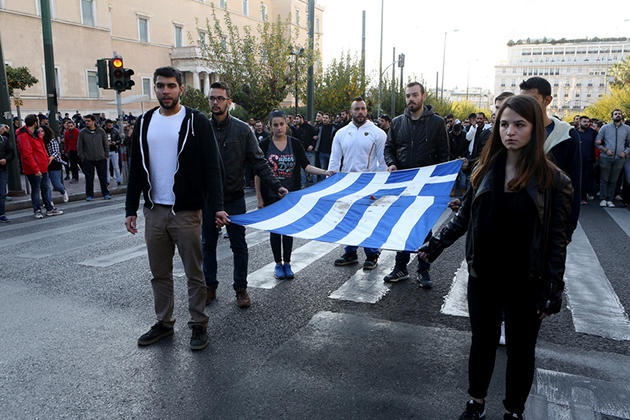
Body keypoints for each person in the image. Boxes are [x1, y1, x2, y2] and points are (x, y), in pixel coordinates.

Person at [419, 95, 573, 420]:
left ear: (534, 129)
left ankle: (513, 411)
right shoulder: (485, 170)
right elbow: (464, 219)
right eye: (504, 124)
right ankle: (476, 402)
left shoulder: (554, 181)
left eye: (519, 125)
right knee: (483, 343)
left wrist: (552, 290)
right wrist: (434, 246)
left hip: (526, 281)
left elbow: (557, 242)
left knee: (520, 351)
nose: (510, 132)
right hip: (484, 277)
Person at [125, 66, 227, 351]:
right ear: (155, 89)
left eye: (171, 86)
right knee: (159, 273)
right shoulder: (144, 122)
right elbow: (135, 169)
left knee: (195, 273)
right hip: (154, 210)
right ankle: (164, 322)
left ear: (181, 89)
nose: (165, 91)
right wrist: (130, 209)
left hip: (185, 212)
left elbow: (212, 168)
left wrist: (217, 207)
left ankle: (198, 324)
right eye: (160, 86)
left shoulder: (196, 121)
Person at [202, 81, 288, 308]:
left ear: (228, 102)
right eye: (212, 98)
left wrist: (276, 185)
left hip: (234, 198)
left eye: (220, 98)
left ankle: (240, 288)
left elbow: (259, 162)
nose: (215, 102)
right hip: (209, 199)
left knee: (239, 246)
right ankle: (209, 287)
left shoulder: (241, 130)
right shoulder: (201, 126)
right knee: (207, 245)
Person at [382, 82, 450, 287]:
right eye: (407, 96)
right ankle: (400, 268)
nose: (411, 99)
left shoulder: (437, 123)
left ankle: (423, 270)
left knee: (424, 228)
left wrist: (439, 183)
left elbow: (444, 154)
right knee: (401, 225)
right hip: (402, 184)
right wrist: (392, 164)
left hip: (427, 185)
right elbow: (389, 148)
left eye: (414, 95)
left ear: (423, 97)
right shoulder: (396, 123)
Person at [256, 110, 334, 279]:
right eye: (275, 125)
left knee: (288, 229)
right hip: (271, 195)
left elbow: (306, 166)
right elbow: (258, 173)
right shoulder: (264, 145)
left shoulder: (295, 143)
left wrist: (325, 172)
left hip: (291, 195)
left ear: (286, 124)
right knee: (275, 230)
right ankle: (278, 264)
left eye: (282, 124)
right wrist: (260, 198)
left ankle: (288, 263)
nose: (279, 128)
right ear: (270, 126)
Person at [329, 97, 387, 270]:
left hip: (370, 183)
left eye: (362, 109)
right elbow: (335, 160)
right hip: (348, 183)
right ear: (351, 111)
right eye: (356, 109)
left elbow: (383, 162)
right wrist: (331, 184)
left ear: (366, 111)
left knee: (368, 219)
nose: (360, 112)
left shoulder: (378, 133)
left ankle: (372, 254)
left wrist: (381, 185)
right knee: (349, 219)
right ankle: (350, 252)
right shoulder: (341, 133)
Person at [520, 77, 581, 241]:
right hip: (517, 214)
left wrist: (568, 230)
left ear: (547, 100)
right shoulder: (514, 132)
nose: (526, 105)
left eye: (532, 100)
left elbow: (574, 182)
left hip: (551, 216)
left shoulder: (566, 135)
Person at [16, 114, 64, 219]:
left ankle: (49, 208)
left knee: (45, 188)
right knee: (36, 189)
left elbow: (42, 149)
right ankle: (37, 210)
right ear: (35, 123)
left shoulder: (36, 134)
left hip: (42, 166)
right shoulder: (24, 136)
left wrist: (46, 159)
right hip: (34, 168)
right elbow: (26, 154)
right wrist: (35, 169)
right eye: (37, 121)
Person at [595, 109, 630, 207]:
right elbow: (597, 141)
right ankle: (603, 198)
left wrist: (625, 152)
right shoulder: (605, 128)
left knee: (614, 180)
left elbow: (629, 144)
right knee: (604, 179)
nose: (618, 115)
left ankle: (610, 199)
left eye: (619, 114)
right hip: (606, 157)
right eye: (615, 114)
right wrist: (606, 150)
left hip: (619, 158)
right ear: (612, 117)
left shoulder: (627, 129)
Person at [78, 114, 110, 201]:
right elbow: (80, 146)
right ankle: (89, 195)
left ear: (93, 121)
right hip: (88, 159)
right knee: (89, 178)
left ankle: (105, 193)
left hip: (101, 158)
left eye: (89, 121)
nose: (87, 123)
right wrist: (82, 157)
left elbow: (105, 144)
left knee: (103, 177)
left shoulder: (101, 131)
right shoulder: (82, 132)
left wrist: (106, 155)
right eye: (86, 121)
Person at [41, 125, 69, 203]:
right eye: (39, 131)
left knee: (56, 184)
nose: (40, 133)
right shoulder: (38, 141)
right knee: (45, 185)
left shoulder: (52, 141)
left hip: (54, 164)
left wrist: (51, 158)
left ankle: (63, 191)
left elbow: (56, 152)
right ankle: (49, 201)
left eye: (42, 131)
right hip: (43, 164)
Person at [576, 116, 598, 204]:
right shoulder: (575, 133)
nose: (587, 123)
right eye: (584, 121)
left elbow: (599, 142)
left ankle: (583, 197)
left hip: (588, 160)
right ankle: (576, 196)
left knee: (586, 179)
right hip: (577, 160)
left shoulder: (593, 132)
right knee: (577, 179)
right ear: (579, 122)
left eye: (588, 122)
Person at [314, 113, 335, 181]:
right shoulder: (319, 128)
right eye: (324, 118)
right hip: (322, 152)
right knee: (323, 170)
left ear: (329, 119)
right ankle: (323, 183)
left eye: (326, 118)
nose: (324, 119)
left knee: (331, 169)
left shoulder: (333, 128)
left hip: (330, 152)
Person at [0, 125, 15, 222]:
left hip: (2, 170)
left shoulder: (4, 140)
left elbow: (11, 153)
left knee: (1, 193)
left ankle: (1, 214)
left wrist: (6, 159)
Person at [103, 119, 122, 186]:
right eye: (109, 126)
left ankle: (118, 180)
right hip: (106, 151)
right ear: (106, 125)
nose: (110, 127)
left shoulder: (115, 131)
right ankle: (107, 180)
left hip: (114, 150)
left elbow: (119, 140)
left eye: (111, 125)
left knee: (116, 166)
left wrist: (115, 143)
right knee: (106, 167)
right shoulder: (102, 132)